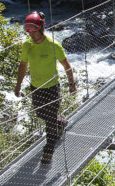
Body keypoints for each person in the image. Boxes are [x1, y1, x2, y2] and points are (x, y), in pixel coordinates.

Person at [14, 12, 77, 164]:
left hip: (52, 87)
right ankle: (60, 122)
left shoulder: (53, 45)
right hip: (36, 87)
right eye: (28, 30)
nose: (31, 34)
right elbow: (23, 65)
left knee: (49, 120)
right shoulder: (27, 45)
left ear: (41, 28)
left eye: (34, 30)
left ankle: (48, 150)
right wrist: (18, 85)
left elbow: (66, 66)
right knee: (40, 113)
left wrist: (72, 84)